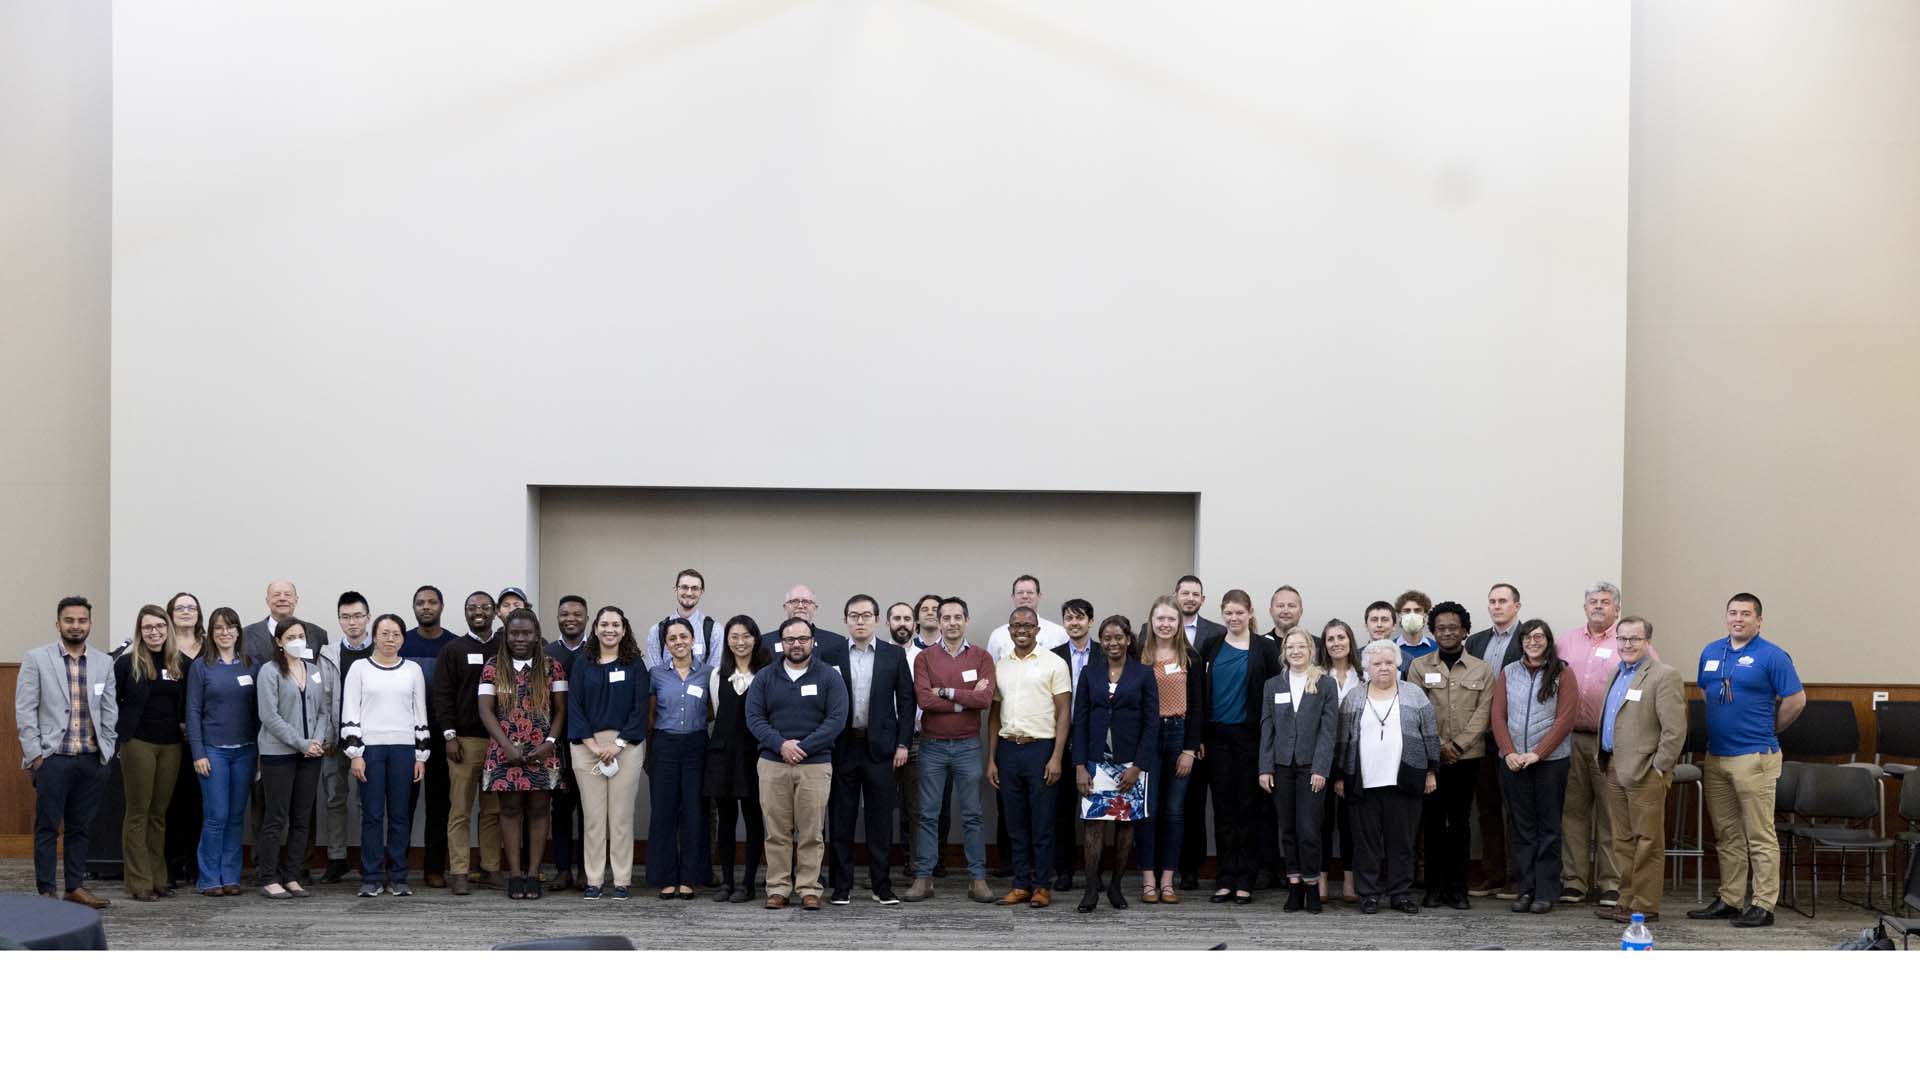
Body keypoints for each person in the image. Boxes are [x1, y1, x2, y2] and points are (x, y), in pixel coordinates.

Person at [1687, 593, 1806, 929]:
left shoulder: (1773, 656)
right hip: (1717, 756)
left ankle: (1763, 904)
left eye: (1746, 614)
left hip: (1754, 757)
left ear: (1759, 620)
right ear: (1726, 617)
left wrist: (1770, 728)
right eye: (1732, 613)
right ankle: (1730, 898)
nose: (1738, 619)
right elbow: (1705, 693)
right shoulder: (1711, 652)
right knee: (1727, 833)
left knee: (1759, 834)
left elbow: (1796, 700)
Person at [1556, 581, 1658, 907]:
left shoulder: (1628, 641)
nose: (1598, 606)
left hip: (1613, 743)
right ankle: (1574, 881)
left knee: (1612, 815)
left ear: (1617, 607)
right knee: (1572, 812)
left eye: (1605, 601)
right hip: (1571, 738)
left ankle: (1612, 883)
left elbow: (1652, 683)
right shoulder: (1566, 642)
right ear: (1584, 606)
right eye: (1592, 601)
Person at [18, 596, 119, 908]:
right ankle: (46, 891)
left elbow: (110, 710)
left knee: (80, 827)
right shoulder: (37, 659)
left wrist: (107, 750)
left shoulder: (103, 662)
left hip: (91, 759)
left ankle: (74, 887)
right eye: (70, 620)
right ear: (58, 623)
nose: (76, 626)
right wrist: (36, 756)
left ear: (90, 623)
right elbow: (25, 710)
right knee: (48, 827)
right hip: (53, 760)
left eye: (82, 621)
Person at [746, 617, 849, 910]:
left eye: (802, 638)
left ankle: (808, 889)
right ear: (781, 643)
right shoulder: (765, 677)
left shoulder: (829, 676)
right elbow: (754, 718)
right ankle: (778, 888)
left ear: (812, 641)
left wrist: (803, 747)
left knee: (811, 832)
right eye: (790, 639)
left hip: (814, 765)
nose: (796, 644)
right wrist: (781, 745)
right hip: (772, 763)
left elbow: (836, 720)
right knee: (776, 831)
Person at [1333, 638, 1440, 915]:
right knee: (1365, 842)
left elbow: (1429, 734)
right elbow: (1343, 740)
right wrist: (1341, 776)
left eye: (1389, 662)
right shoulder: (1355, 696)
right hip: (1363, 781)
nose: (1384, 668)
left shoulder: (1414, 694)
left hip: (1404, 780)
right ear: (1367, 667)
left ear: (1398, 665)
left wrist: (1430, 771)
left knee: (1402, 841)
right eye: (1377, 663)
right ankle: (1368, 894)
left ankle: (1400, 893)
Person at [905, 597, 998, 903]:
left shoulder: (982, 657)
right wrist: (966, 698)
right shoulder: (925, 658)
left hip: (968, 746)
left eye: (958, 617)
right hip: (932, 746)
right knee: (928, 815)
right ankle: (924, 878)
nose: (952, 622)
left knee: (972, 814)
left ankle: (977, 879)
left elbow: (985, 701)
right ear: (939, 622)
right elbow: (924, 701)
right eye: (946, 617)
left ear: (966, 621)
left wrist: (945, 692)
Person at [1405, 601, 1494, 909]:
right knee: (1431, 823)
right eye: (1440, 627)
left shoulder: (1482, 670)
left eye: (1453, 627)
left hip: (1468, 759)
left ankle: (1458, 890)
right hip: (1431, 759)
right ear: (1433, 630)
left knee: (1459, 824)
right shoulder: (1419, 667)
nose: (1446, 632)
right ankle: (1433, 888)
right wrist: (1439, 746)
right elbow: (1416, 709)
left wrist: (1457, 746)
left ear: (1464, 631)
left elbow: (1484, 714)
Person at [1596, 616, 1685, 923]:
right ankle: (1626, 900)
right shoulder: (1615, 674)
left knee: (1647, 841)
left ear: (1648, 642)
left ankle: (1645, 905)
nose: (1627, 645)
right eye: (1622, 639)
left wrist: (1659, 768)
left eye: (1634, 639)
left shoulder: (1663, 675)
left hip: (1646, 772)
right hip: (1614, 768)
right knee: (1622, 841)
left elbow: (1674, 731)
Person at [829, 595, 915, 905]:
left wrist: (903, 742)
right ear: (846, 620)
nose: (860, 621)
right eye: (854, 616)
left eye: (866, 615)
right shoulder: (832, 653)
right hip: (843, 746)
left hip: (881, 748)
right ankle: (842, 886)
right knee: (841, 819)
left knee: (880, 821)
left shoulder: (893, 655)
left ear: (877, 620)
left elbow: (908, 703)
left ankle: (882, 885)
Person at [475, 609, 566, 900]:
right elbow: (485, 710)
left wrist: (550, 742)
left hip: (543, 750)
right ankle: (515, 875)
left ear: (536, 634)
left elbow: (561, 709)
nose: (520, 638)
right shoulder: (492, 667)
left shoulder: (553, 667)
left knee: (540, 811)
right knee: (510, 811)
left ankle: (533, 874)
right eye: (514, 633)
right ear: (506, 634)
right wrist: (504, 745)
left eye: (526, 633)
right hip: (505, 751)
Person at [1491, 619, 1579, 914]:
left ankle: (1546, 891)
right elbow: (1498, 717)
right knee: (1522, 828)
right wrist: (1509, 752)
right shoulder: (1508, 672)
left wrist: (1538, 753)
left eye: (1539, 637)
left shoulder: (1563, 673)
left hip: (1550, 763)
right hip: (1514, 763)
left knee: (1549, 828)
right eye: (1527, 637)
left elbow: (1565, 719)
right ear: (1521, 642)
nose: (1532, 641)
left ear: (1548, 640)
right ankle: (1526, 889)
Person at [1197, 590, 1279, 904]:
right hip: (1217, 739)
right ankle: (1225, 877)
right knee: (1223, 810)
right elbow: (1202, 695)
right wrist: (1200, 738)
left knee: (1248, 809)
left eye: (1239, 613)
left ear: (1249, 613)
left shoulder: (1264, 648)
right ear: (1223, 614)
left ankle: (1246, 878)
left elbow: (1274, 698)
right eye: (1228, 613)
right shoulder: (1211, 646)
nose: (1233, 618)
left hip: (1251, 739)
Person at [988, 605, 1072, 908]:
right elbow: (994, 715)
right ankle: (1021, 884)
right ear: (1009, 630)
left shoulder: (1054, 663)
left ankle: (1041, 886)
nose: (1021, 629)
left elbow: (1064, 713)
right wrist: (991, 760)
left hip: (1042, 750)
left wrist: (1057, 757)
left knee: (1043, 822)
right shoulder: (1000, 665)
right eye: (1015, 625)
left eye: (1027, 625)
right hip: (1009, 749)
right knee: (1015, 823)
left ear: (1037, 630)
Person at [342, 613, 431, 898]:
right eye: (384, 633)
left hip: (404, 750)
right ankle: (371, 876)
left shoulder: (413, 670)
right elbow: (350, 710)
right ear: (375, 636)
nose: (390, 639)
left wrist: (421, 755)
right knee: (372, 814)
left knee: (400, 815)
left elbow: (420, 713)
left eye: (396, 634)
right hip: (371, 750)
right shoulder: (359, 668)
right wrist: (355, 753)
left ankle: (398, 876)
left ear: (403, 638)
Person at [1071, 615, 1156, 913]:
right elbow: (1079, 720)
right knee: (1093, 826)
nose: (1112, 643)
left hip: (1130, 763)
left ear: (1128, 639)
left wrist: (1139, 766)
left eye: (1118, 637)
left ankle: (1117, 886)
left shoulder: (1144, 674)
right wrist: (1079, 765)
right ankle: (1092, 887)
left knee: (1125, 827)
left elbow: (1151, 724)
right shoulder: (1089, 673)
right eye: (1107, 637)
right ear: (1101, 641)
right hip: (1095, 761)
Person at [1258, 626, 1339, 913]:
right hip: (1281, 767)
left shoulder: (1326, 684)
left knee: (1309, 830)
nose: (1295, 651)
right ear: (1284, 651)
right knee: (1288, 830)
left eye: (1301, 646)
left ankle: (1311, 887)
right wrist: (1264, 768)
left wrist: (1321, 769)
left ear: (1311, 650)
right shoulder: (1273, 685)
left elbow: (1329, 732)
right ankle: (1294, 886)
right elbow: (1267, 727)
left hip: (1311, 769)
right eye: (1290, 647)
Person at [568, 605, 645, 901]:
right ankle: (595, 880)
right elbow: (574, 707)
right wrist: (595, 747)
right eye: (604, 624)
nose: (610, 630)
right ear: (595, 628)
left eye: (616, 624)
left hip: (626, 746)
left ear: (624, 630)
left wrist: (618, 745)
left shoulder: (635, 665)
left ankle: (622, 880)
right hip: (587, 747)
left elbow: (640, 709)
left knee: (622, 817)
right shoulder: (582, 664)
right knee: (594, 818)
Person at [255, 618, 334, 899]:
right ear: (279, 641)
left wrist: (316, 741)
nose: (297, 640)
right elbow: (269, 716)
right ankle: (268, 876)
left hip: (310, 754)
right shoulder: (269, 671)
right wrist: (301, 743)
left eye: (301, 636)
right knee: (276, 817)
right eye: (291, 636)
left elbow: (324, 710)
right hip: (278, 753)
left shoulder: (313, 671)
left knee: (302, 818)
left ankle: (291, 875)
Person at [432, 591, 505, 895]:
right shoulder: (453, 649)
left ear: (495, 612)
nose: (479, 612)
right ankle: (459, 870)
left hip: (500, 744)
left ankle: (490, 868)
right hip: (464, 742)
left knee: (493, 811)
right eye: (472, 607)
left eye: (485, 607)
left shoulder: (506, 646)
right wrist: (449, 735)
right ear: (464, 613)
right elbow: (443, 695)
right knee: (459, 809)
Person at [1135, 596, 1206, 903]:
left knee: (1175, 812)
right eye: (1160, 618)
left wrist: (1190, 749)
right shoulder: (1138, 655)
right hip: (1146, 738)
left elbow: (1199, 707)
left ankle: (1168, 880)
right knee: (1147, 811)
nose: (1165, 624)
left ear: (1180, 624)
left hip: (1179, 736)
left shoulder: (1191, 657)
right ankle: (1148, 879)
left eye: (1171, 619)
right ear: (1151, 621)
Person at [114, 605, 185, 902]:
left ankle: (159, 878)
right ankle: (139, 881)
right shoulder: (127, 663)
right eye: (147, 628)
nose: (154, 632)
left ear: (167, 628)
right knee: (138, 813)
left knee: (159, 814)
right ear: (139, 631)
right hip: (138, 743)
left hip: (171, 745)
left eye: (159, 626)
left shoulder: (179, 662)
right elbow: (112, 701)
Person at [185, 607, 257, 898]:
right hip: (213, 751)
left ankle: (230, 876)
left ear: (238, 631)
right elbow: (192, 712)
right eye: (218, 628)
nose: (225, 632)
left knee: (237, 816)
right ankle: (209, 878)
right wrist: (198, 753)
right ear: (211, 634)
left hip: (246, 751)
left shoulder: (252, 665)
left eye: (230, 627)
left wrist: (261, 753)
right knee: (217, 815)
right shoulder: (201, 667)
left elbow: (258, 713)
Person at [1464, 582, 1523, 899]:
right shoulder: (1475, 641)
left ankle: (1518, 877)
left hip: (1516, 739)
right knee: (1486, 809)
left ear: (1517, 606)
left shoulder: (1529, 638)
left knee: (1516, 810)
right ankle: (1493, 875)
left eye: (1503, 601)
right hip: (1482, 737)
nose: (1497, 606)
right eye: (1492, 601)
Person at [646, 617, 711, 899]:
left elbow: (712, 709)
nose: (678, 642)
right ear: (666, 645)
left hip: (697, 745)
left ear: (693, 640)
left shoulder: (708, 673)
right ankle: (666, 876)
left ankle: (690, 876)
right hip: (665, 745)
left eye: (683, 637)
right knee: (664, 812)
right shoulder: (657, 674)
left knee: (695, 812)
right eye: (672, 639)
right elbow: (650, 714)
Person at [708, 616, 770, 903]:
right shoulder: (717, 674)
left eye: (746, 636)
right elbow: (718, 710)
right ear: (727, 640)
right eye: (734, 636)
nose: (740, 642)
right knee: (727, 820)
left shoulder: (767, 673)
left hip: (754, 753)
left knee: (754, 817)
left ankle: (748, 884)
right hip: (723, 753)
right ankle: (728, 881)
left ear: (755, 639)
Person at [315, 591, 374, 884]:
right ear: (339, 620)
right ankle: (337, 858)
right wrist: (324, 735)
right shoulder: (328, 653)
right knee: (335, 798)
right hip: (335, 738)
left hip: (371, 738)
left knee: (368, 799)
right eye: (346, 617)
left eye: (358, 616)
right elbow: (322, 700)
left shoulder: (380, 649)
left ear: (368, 617)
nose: (352, 622)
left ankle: (369, 858)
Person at [401, 586, 455, 888]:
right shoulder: (401, 642)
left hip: (441, 735)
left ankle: (434, 868)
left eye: (432, 602)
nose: (426, 607)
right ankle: (398, 867)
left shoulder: (453, 644)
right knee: (402, 805)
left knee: (438, 805)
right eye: (420, 602)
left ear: (441, 606)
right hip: (404, 737)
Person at [898, 593, 952, 877]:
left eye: (936, 609)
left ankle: (938, 858)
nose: (931, 613)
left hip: (940, 736)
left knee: (939, 802)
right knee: (909, 804)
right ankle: (912, 857)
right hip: (908, 736)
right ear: (917, 618)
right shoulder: (906, 651)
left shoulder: (950, 653)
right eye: (926, 609)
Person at [1048, 598, 1098, 891]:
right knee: (1062, 809)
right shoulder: (1052, 656)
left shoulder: (1106, 653)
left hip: (1097, 737)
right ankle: (1064, 871)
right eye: (1069, 618)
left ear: (1090, 621)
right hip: (1062, 736)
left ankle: (1094, 874)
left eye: (1080, 618)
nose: (1074, 623)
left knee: (1097, 810)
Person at [542, 594, 590, 892]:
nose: (570, 618)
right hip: (554, 745)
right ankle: (562, 870)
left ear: (586, 618)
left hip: (589, 744)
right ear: (557, 617)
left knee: (589, 810)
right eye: (564, 614)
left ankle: (587, 869)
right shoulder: (546, 653)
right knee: (560, 809)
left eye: (577, 614)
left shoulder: (597, 651)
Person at [1318, 618, 1363, 904]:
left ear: (1350, 642)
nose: (1336, 643)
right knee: (1321, 822)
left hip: (1356, 760)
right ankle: (1321, 882)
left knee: (1351, 823)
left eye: (1341, 637)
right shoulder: (1317, 675)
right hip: (1322, 758)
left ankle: (1349, 883)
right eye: (1330, 639)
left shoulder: (1365, 674)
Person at [162, 591, 205, 889]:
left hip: (204, 737)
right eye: (180, 608)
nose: (186, 612)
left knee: (201, 802)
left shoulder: (209, 647)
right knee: (173, 801)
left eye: (192, 607)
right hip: (170, 735)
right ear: (170, 613)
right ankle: (173, 864)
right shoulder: (163, 648)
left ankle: (195, 862)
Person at [240, 580, 331, 675]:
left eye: (287, 595)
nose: (282, 599)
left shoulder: (318, 635)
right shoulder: (246, 635)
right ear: (267, 601)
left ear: (296, 600)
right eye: (276, 595)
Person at [645, 568, 724, 669]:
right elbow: (656, 676)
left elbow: (714, 675)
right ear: (675, 589)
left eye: (695, 588)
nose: (689, 593)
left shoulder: (715, 630)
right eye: (684, 587)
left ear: (701, 592)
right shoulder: (656, 631)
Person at [759, 585, 850, 669]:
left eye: (806, 602)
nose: (800, 606)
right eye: (794, 601)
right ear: (785, 607)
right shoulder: (764, 643)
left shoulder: (836, 642)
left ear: (815, 608)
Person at [985, 574, 1071, 661]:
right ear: (1013, 597)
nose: (1025, 596)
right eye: (1020, 593)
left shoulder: (1058, 633)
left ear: (1039, 596)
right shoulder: (998, 635)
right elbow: (991, 669)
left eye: (1030, 592)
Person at [1174, 575, 1225, 648]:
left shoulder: (1219, 632)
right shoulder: (1163, 628)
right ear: (1175, 597)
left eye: (1195, 594)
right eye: (1185, 593)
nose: (1190, 598)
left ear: (1202, 600)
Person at [1392, 590, 1436, 675]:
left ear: (1425, 616)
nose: (1412, 615)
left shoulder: (1436, 649)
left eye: (1417, 610)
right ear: (1399, 616)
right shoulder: (1390, 649)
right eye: (1407, 611)